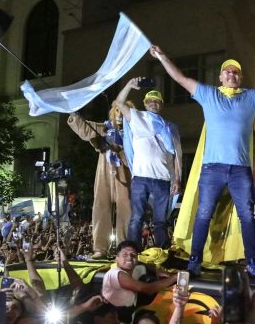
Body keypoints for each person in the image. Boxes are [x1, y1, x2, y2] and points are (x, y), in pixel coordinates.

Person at [150, 45, 255, 278]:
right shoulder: (208, 94)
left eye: (236, 72)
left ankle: (252, 263)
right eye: (228, 72)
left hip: (240, 171)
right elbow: (180, 78)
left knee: (247, 216)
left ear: (240, 77)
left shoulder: (250, 98)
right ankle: (195, 261)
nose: (232, 75)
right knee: (204, 214)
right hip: (212, 169)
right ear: (220, 76)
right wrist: (162, 56)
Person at [114, 78, 182, 249]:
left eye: (157, 101)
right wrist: (129, 85)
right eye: (150, 101)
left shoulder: (170, 127)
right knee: (136, 217)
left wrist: (176, 179)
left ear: (162, 105)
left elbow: (175, 157)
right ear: (145, 104)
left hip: (163, 179)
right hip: (141, 178)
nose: (153, 103)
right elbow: (119, 102)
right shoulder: (137, 118)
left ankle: (163, 252)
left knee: (161, 220)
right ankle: (132, 250)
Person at [67, 105, 132, 259]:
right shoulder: (104, 128)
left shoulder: (134, 132)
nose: (120, 114)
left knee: (126, 209)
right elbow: (85, 129)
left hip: (125, 171)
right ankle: (100, 249)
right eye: (117, 110)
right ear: (112, 112)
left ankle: (125, 247)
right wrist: (74, 113)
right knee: (101, 206)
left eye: (124, 111)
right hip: (104, 171)